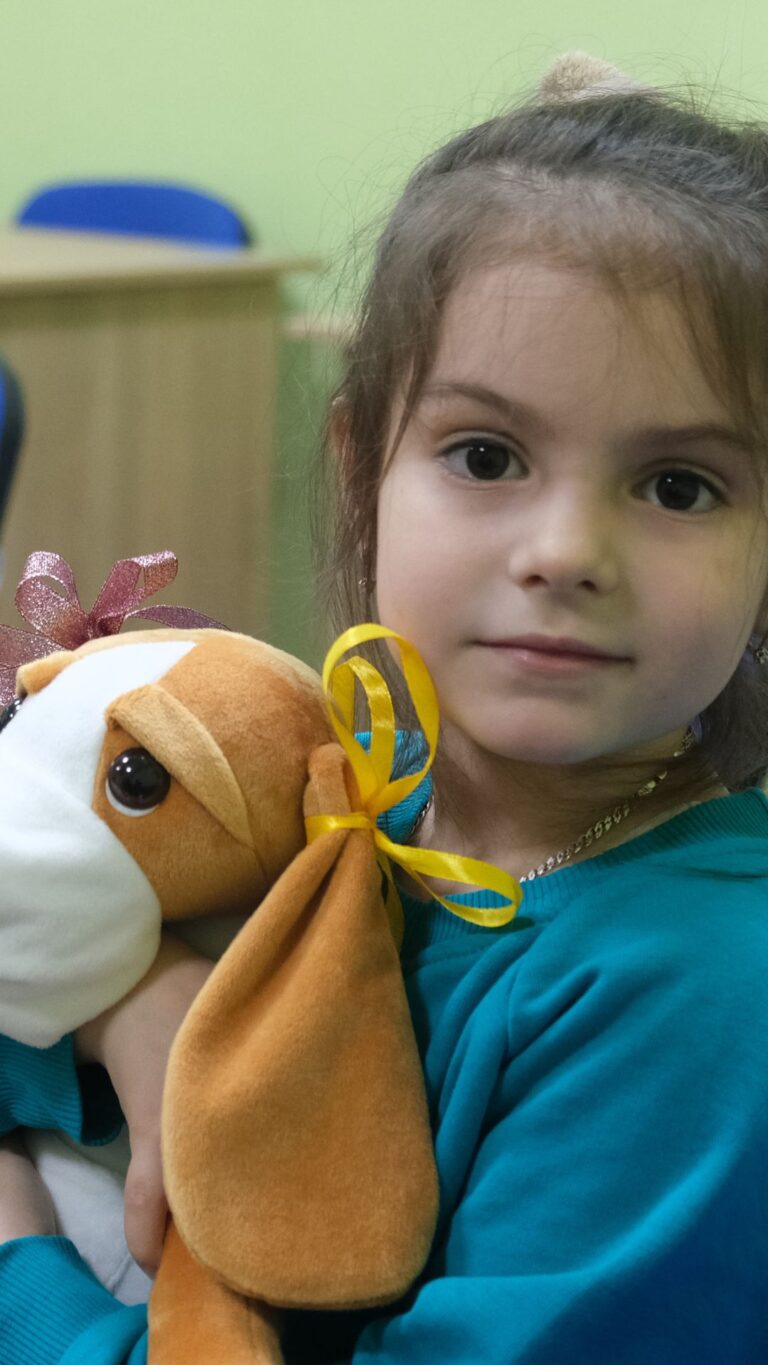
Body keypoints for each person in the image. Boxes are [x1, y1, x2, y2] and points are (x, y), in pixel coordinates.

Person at [3, 48, 768, 1362]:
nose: (563, 550)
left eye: (680, 483)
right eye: (488, 455)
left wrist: (18, 1264)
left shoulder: (702, 996)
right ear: (365, 469)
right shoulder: (356, 788)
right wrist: (141, 1005)